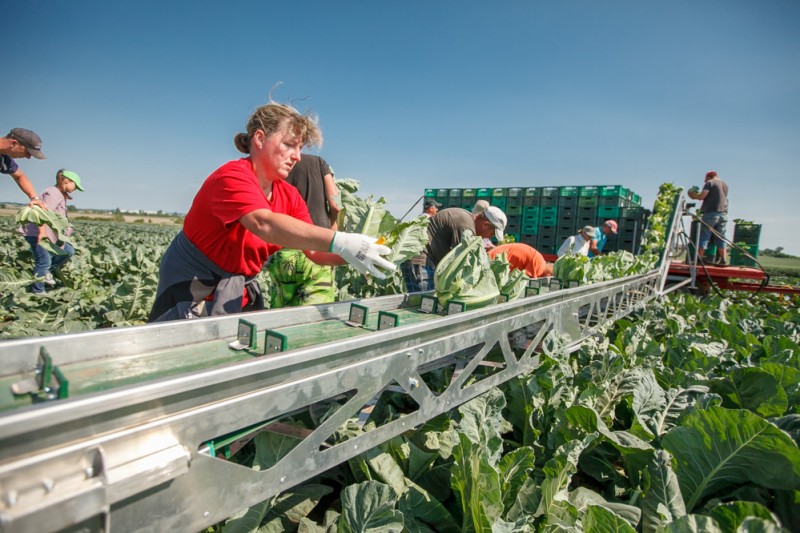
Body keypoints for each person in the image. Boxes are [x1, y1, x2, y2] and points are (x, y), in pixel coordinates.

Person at [148, 102, 395, 322]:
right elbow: (263, 223)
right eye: (289, 145)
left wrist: (359, 254)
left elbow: (315, 253)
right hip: (194, 285)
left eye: (300, 148)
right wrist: (341, 241)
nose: (297, 156)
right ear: (259, 138)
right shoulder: (232, 176)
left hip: (238, 288)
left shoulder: (289, 195)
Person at [269, 154, 341, 307]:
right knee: (315, 319)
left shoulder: (278, 164)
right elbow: (335, 204)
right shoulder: (319, 163)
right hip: (317, 248)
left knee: (279, 318)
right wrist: (333, 226)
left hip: (283, 250)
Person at [20, 170, 83, 293]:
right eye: (75, 185)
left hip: (49, 235)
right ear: (67, 181)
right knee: (44, 261)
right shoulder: (54, 193)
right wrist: (42, 234)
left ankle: (46, 272)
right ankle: (37, 291)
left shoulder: (60, 194)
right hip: (39, 234)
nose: (76, 189)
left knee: (68, 251)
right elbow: (42, 213)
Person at [426, 205, 507, 268]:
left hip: (429, 261)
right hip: (424, 262)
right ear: (485, 225)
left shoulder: (467, 219)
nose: (489, 238)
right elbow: (461, 260)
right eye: (492, 234)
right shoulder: (465, 227)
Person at [688, 170, 729, 265]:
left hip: (711, 213)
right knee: (721, 237)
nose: (705, 181)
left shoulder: (710, 183)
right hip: (723, 214)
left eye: (705, 179)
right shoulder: (725, 184)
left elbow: (702, 196)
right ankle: (723, 260)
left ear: (709, 177)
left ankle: (699, 259)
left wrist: (693, 196)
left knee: (704, 235)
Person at [400, 198, 441, 292]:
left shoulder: (416, 219)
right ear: (431, 209)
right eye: (436, 208)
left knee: (413, 296)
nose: (437, 210)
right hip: (421, 263)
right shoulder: (430, 221)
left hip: (408, 262)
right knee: (425, 296)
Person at [1, 128, 47, 208]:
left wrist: (35, 198)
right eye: (27, 152)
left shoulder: (4, 158)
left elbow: (19, 176)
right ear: (14, 143)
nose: (28, 157)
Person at [488, 243, 553, 278]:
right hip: (494, 261)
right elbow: (523, 280)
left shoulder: (540, 259)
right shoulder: (540, 267)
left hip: (492, 257)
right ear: (549, 275)